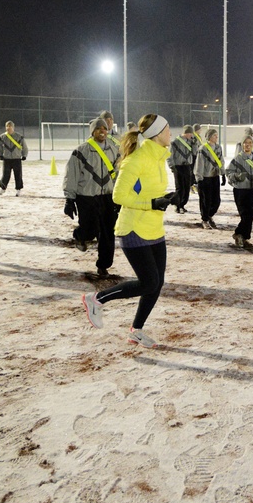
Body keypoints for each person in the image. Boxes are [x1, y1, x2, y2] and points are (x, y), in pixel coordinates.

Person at [81, 114, 179, 347]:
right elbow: (119, 196)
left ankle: (136, 330)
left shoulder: (159, 158)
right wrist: (151, 204)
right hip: (133, 229)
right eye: (167, 129)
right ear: (156, 134)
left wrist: (163, 199)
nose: (170, 133)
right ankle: (96, 299)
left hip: (154, 227)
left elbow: (145, 191)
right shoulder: (137, 159)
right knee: (148, 283)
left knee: (157, 283)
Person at [63, 117, 120, 276]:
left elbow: (119, 174)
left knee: (108, 233)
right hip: (87, 197)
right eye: (98, 128)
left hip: (108, 197)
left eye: (104, 128)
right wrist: (69, 198)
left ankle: (103, 265)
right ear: (92, 131)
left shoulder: (115, 149)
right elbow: (71, 175)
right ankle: (80, 235)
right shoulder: (81, 151)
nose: (102, 131)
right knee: (90, 229)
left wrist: (119, 196)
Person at [225, 133, 253, 249]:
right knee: (245, 215)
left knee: (251, 216)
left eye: (250, 143)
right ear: (242, 145)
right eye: (245, 143)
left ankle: (243, 237)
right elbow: (228, 173)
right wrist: (237, 176)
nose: (248, 145)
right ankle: (238, 234)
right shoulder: (237, 159)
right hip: (240, 190)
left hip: (251, 190)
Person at [194, 128, 225, 229]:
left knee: (216, 201)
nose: (216, 137)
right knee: (205, 201)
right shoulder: (203, 149)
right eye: (214, 135)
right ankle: (205, 219)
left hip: (215, 177)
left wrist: (223, 173)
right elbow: (199, 164)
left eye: (217, 135)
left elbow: (221, 161)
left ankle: (209, 215)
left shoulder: (219, 148)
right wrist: (199, 178)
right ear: (209, 137)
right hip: (205, 178)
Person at [169, 125, 197, 213]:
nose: (191, 135)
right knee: (180, 187)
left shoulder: (190, 142)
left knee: (187, 187)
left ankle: (183, 204)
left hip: (187, 166)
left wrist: (194, 144)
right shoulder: (175, 142)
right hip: (178, 166)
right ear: (186, 133)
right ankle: (178, 205)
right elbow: (169, 155)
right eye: (190, 133)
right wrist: (172, 166)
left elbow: (194, 153)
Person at [0, 120, 28, 195]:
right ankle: (3, 188)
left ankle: (18, 189)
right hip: (6, 159)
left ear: (13, 127)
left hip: (16, 159)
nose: (8, 128)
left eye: (10, 126)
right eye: (7, 126)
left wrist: (24, 155)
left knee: (18, 174)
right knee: (5, 175)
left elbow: (24, 146)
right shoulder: (2, 137)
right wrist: (0, 154)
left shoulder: (19, 136)